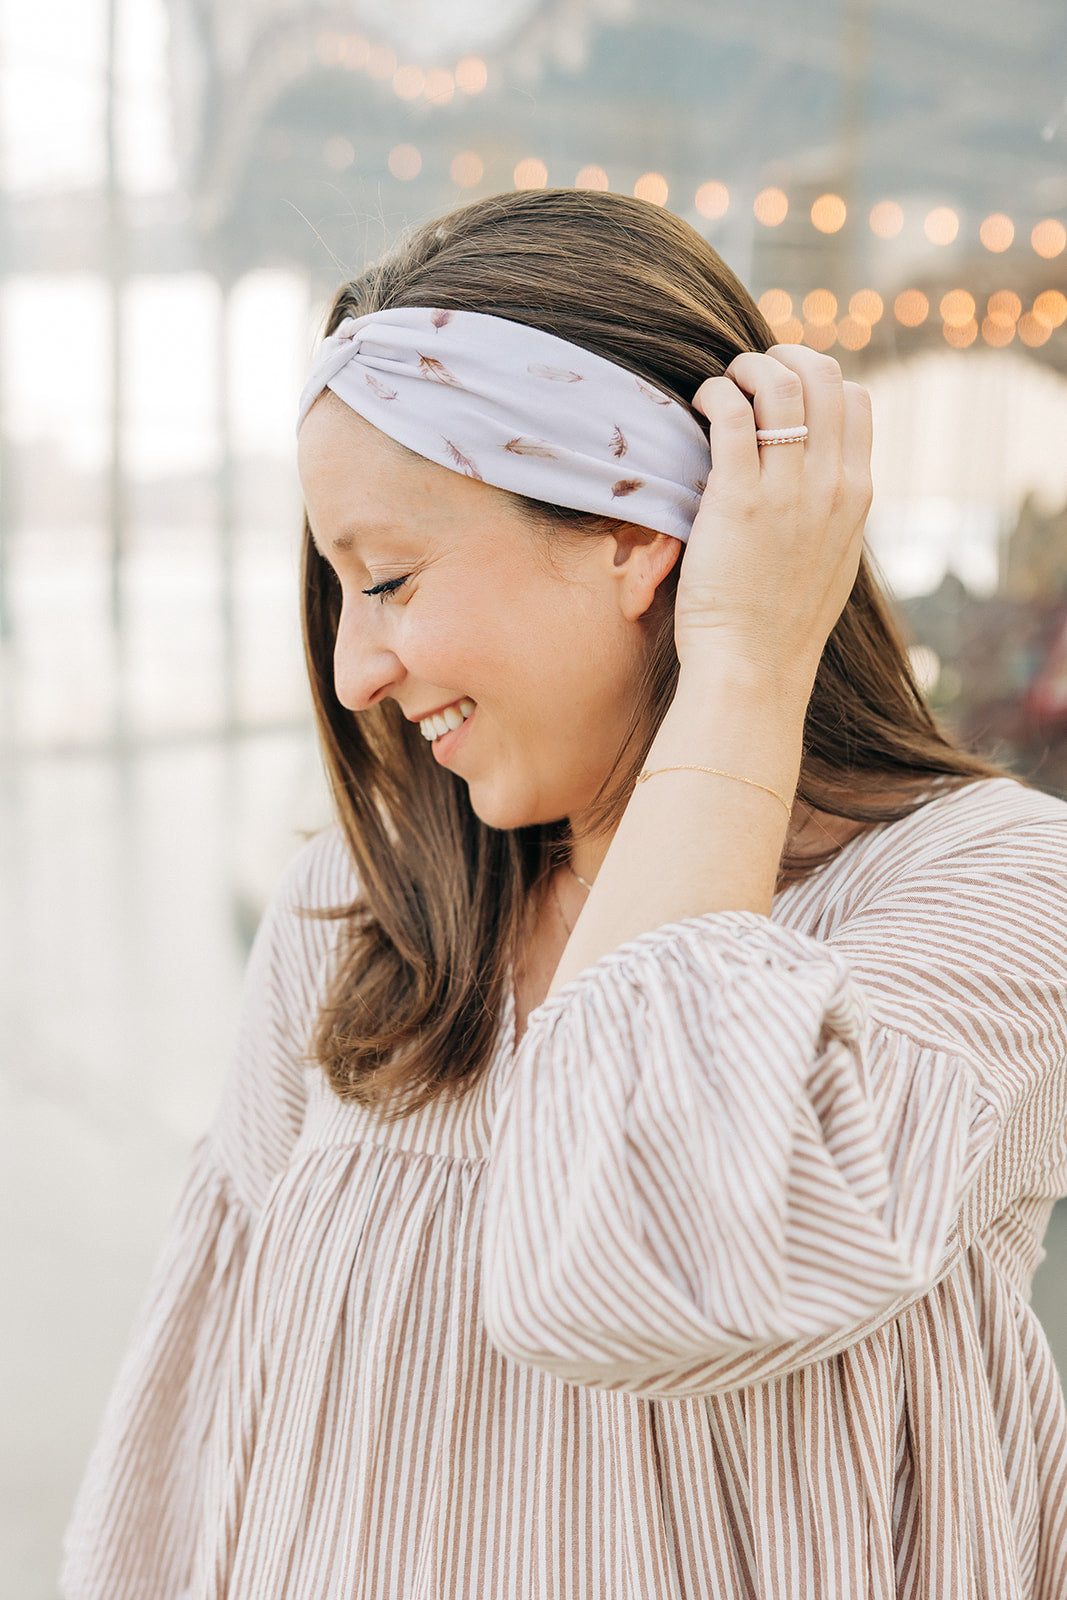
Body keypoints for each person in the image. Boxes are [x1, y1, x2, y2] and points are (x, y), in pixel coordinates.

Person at [62, 189, 1067, 1599]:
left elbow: (640, 1264)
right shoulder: (352, 915)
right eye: (338, 591)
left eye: (392, 577)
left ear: (636, 534)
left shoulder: (999, 897)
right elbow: (194, 1451)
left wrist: (744, 667)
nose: (354, 670)